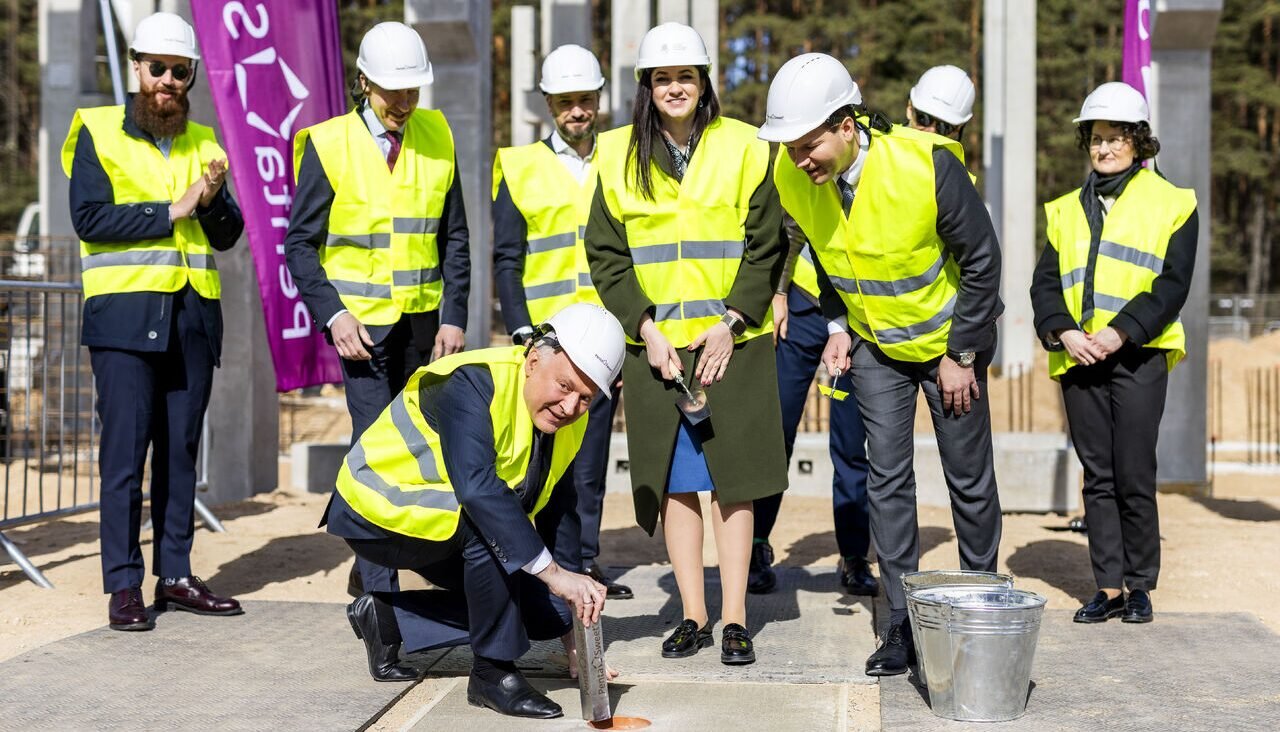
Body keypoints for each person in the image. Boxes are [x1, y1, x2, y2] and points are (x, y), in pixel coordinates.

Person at [758, 53, 1003, 677]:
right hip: (874, 346)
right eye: (787, 147)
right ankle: (902, 623)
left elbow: (982, 264)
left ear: (848, 125)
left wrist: (961, 354)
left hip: (950, 346)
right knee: (886, 480)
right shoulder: (796, 178)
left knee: (967, 479)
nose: (798, 158)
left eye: (807, 144)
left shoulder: (929, 165)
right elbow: (835, 252)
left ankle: (980, 607)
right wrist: (838, 326)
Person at [586, 22, 788, 666]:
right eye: (663, 79)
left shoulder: (749, 147)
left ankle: (734, 619)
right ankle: (693, 616)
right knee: (675, 483)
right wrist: (643, 329)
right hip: (657, 348)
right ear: (646, 87)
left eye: (687, 77)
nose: (675, 88)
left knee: (734, 483)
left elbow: (767, 244)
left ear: (705, 84)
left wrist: (731, 322)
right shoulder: (616, 152)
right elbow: (607, 254)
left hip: (734, 342)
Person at [330, 303, 623, 722]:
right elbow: (478, 489)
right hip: (377, 510)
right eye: (564, 385)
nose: (570, 405)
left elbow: (561, 513)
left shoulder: (568, 419)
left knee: (549, 610)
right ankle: (491, 674)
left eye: (585, 398)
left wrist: (573, 629)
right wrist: (554, 576)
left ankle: (388, 618)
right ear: (534, 358)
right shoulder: (470, 381)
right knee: (494, 530)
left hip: (445, 523)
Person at [61, 12, 244, 631]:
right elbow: (89, 219)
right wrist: (174, 207)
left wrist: (213, 200)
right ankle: (123, 584)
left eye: (180, 70)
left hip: (191, 319)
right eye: (158, 68)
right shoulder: (95, 131)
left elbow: (227, 235)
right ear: (136, 67)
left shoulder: (205, 142)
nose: (168, 80)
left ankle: (177, 573)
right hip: (124, 320)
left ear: (190, 75)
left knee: (180, 455)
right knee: (124, 456)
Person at [285, 21, 470, 597]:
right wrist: (334, 315)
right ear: (363, 82)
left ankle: (382, 556)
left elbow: (454, 236)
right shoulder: (328, 143)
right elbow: (300, 244)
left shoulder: (436, 134)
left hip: (423, 324)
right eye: (393, 91)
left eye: (413, 90)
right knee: (374, 447)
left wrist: (454, 314)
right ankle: (378, 589)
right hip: (359, 329)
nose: (404, 103)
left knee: (423, 445)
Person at [1031, 82, 1196, 626]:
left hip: (1138, 356)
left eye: (1115, 139)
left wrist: (1120, 333)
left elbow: (1171, 287)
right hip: (1079, 357)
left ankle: (1140, 585)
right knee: (1096, 474)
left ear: (1139, 143)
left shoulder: (1175, 204)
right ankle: (1107, 587)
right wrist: (1062, 332)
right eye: (1095, 139)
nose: (1103, 149)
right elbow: (1046, 286)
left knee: (1132, 471)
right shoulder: (1062, 212)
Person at [492, 44, 632, 600]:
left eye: (585, 99)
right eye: (565, 101)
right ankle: (547, 563)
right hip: (547, 342)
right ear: (548, 102)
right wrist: (522, 329)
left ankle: (585, 561)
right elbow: (508, 255)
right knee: (543, 458)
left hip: (604, 338)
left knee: (591, 459)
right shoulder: (519, 165)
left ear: (598, 99)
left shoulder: (620, 160)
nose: (576, 110)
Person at [747, 218, 876, 598]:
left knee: (851, 444)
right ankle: (755, 543)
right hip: (803, 309)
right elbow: (792, 227)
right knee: (775, 432)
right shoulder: (813, 164)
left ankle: (854, 556)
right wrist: (780, 291)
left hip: (859, 317)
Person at [905, 64, 975, 141]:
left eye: (944, 127)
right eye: (924, 119)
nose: (932, 131)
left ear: (958, 128)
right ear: (910, 109)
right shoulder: (889, 146)